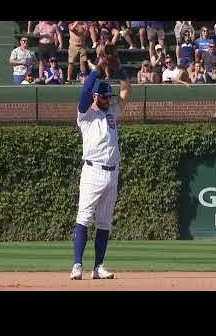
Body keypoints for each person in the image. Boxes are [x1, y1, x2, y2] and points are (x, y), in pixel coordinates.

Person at [70, 45, 132, 281]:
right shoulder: (85, 114)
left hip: (112, 172)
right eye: (104, 96)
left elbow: (127, 90)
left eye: (109, 96)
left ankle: (98, 267)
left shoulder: (112, 111)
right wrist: (99, 63)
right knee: (84, 217)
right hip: (92, 171)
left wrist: (119, 68)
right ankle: (77, 265)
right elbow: (85, 87)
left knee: (104, 222)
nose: (109, 99)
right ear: (95, 96)